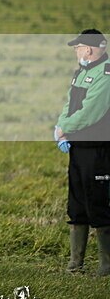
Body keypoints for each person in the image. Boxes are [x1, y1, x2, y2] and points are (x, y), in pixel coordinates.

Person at [54, 29, 110, 276]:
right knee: (77, 204)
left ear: (88, 49)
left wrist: (65, 128)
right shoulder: (82, 72)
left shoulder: (106, 74)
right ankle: (75, 262)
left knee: (98, 203)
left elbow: (91, 112)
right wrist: (61, 128)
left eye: (78, 48)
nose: (76, 52)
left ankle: (106, 265)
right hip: (79, 147)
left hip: (98, 150)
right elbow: (70, 103)